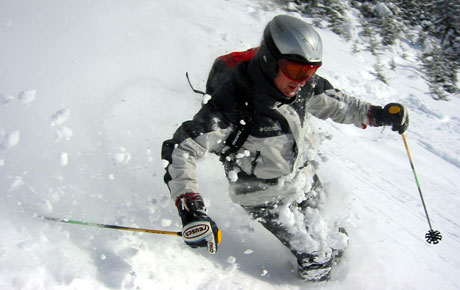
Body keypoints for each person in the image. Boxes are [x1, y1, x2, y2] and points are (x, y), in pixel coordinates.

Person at [161, 15, 408, 281]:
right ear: (269, 60)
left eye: (311, 70)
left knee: (337, 239)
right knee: (317, 259)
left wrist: (376, 114)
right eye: (297, 70)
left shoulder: (301, 87)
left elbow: (337, 104)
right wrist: (191, 209)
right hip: (262, 195)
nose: (303, 79)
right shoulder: (232, 104)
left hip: (303, 177)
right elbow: (181, 148)